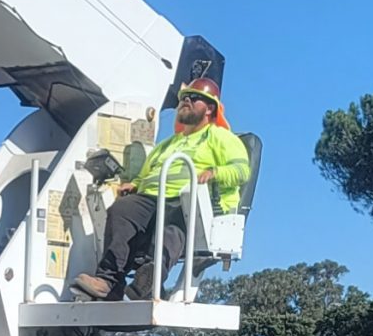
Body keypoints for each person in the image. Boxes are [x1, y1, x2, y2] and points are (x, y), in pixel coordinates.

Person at [71, 81, 249, 300]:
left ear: (210, 108)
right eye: (183, 98)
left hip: (192, 201)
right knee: (123, 209)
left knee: (175, 222)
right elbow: (147, 174)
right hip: (154, 197)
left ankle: (151, 277)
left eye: (193, 98)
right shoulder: (167, 145)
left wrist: (214, 172)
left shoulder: (222, 138)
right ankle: (109, 281)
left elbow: (242, 171)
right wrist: (135, 184)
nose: (186, 101)